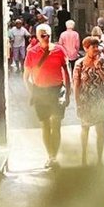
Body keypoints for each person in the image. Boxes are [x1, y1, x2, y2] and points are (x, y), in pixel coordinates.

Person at [24, 24, 70, 169]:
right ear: (37, 36)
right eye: (43, 35)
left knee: (56, 124)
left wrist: (68, 92)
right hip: (40, 91)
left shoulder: (59, 50)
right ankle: (50, 155)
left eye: (48, 35)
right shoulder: (32, 52)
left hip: (57, 90)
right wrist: (32, 92)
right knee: (45, 125)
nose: (46, 38)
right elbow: (26, 76)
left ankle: (53, 157)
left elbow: (66, 71)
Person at [73, 35, 104, 165]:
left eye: (97, 46)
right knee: (85, 129)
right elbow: (76, 84)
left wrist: (98, 68)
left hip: (99, 100)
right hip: (85, 100)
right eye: (93, 47)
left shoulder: (101, 61)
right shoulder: (79, 64)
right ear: (86, 48)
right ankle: (83, 157)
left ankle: (99, 159)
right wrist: (78, 102)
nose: (96, 49)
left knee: (100, 131)